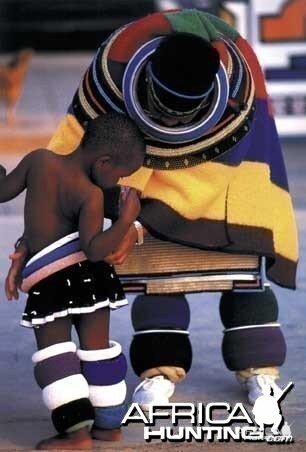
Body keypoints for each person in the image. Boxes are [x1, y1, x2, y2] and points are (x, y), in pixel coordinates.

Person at [6, 9, 298, 412]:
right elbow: (66, 161)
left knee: (244, 252)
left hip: (231, 177)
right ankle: (159, 371)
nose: (164, 119)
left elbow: (250, 160)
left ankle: (260, 371)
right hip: (147, 190)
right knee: (159, 274)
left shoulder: (240, 83)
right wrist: (36, 238)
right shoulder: (114, 66)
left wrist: (136, 221)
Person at [1, 112, 145, 450]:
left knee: (55, 356)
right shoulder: (90, 194)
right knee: (98, 352)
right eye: (120, 175)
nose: (117, 182)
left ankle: (76, 432)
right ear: (104, 161)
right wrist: (125, 221)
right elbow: (95, 250)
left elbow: (3, 191)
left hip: (50, 284)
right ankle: (107, 426)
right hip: (90, 281)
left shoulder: (38, 161)